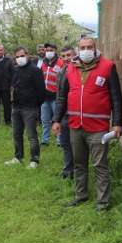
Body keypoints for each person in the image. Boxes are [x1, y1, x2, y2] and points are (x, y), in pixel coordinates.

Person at [52, 37, 122, 211]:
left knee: (100, 165)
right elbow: (62, 97)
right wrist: (56, 120)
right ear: (78, 49)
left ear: (95, 49)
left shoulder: (108, 67)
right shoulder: (70, 69)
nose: (86, 50)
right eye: (82, 47)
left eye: (89, 47)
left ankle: (102, 203)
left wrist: (117, 123)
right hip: (76, 125)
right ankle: (81, 195)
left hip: (98, 127)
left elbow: (116, 97)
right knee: (79, 163)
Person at [4, 46, 45, 169]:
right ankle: (18, 157)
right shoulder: (16, 70)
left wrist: (35, 105)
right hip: (16, 107)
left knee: (31, 136)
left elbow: (41, 92)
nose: (20, 58)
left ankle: (35, 160)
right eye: (17, 57)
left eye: (22, 56)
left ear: (27, 55)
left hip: (30, 108)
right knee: (16, 135)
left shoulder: (35, 71)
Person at [56, 45, 76, 179]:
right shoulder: (61, 72)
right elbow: (59, 96)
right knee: (65, 144)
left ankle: (77, 173)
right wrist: (57, 118)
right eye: (63, 56)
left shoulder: (79, 71)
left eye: (69, 55)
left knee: (77, 146)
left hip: (76, 114)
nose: (66, 58)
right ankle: (67, 172)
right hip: (64, 115)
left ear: (75, 54)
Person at [40, 42, 65, 146]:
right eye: (47, 50)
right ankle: (44, 140)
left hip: (56, 97)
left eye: (51, 50)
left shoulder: (60, 63)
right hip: (44, 98)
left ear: (55, 51)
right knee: (45, 121)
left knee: (58, 120)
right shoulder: (43, 63)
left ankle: (60, 141)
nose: (49, 52)